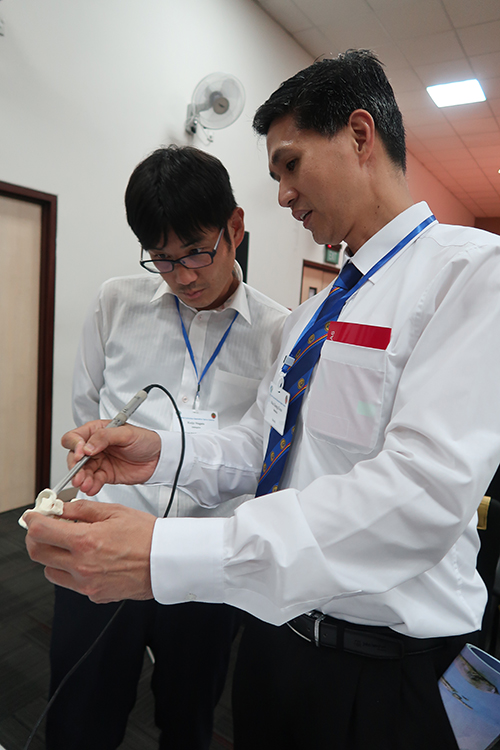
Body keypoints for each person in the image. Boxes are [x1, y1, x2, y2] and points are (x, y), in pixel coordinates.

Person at [25, 50, 500, 750]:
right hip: (277, 635)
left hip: (379, 661)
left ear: (359, 135)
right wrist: (162, 453)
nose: (284, 194)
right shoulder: (314, 316)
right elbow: (266, 445)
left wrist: (169, 552)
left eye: (290, 164)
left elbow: (417, 498)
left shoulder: (471, 274)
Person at [45, 145, 290, 750]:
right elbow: (86, 405)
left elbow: (266, 454)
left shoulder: (278, 331)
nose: (182, 276)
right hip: (105, 537)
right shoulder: (115, 302)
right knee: (79, 715)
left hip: (205, 560)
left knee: (189, 717)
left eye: (197, 251)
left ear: (235, 227)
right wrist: (88, 445)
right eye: (161, 258)